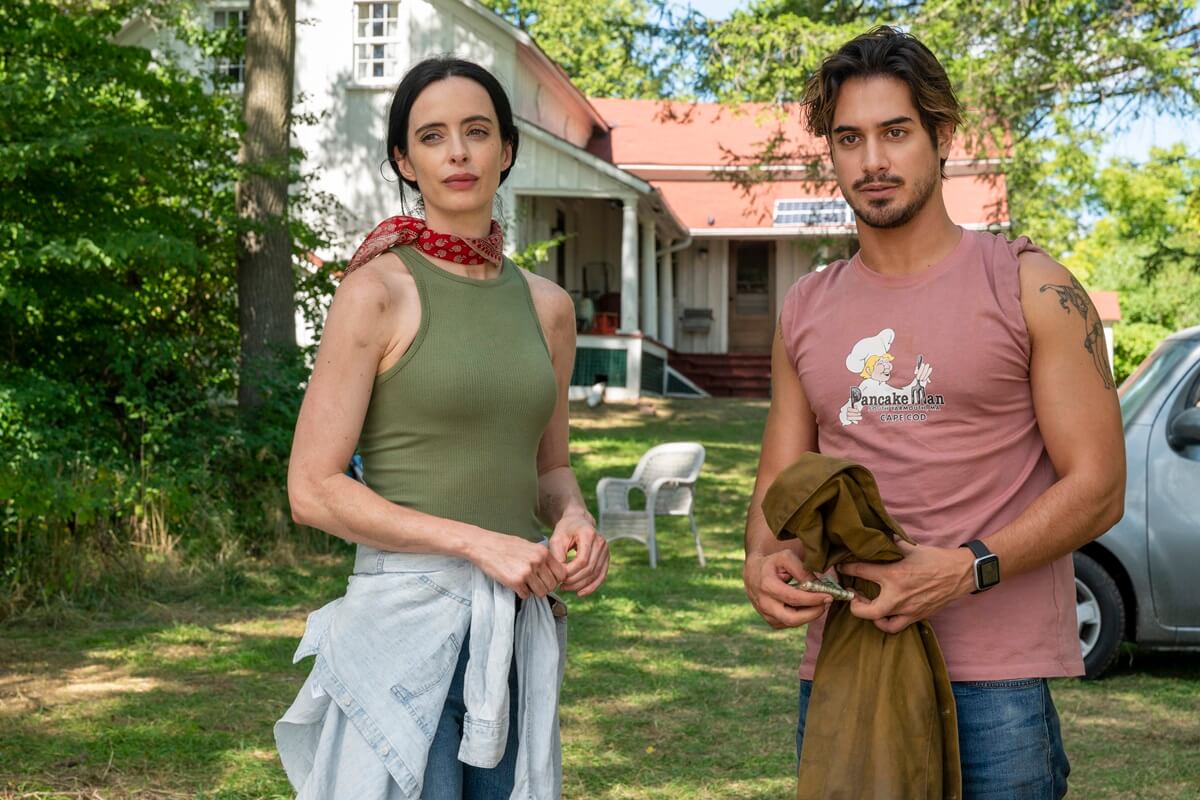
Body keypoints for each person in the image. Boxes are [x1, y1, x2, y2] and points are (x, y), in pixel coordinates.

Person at [742, 26, 1125, 799]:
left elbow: (1100, 488)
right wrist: (765, 563)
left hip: (998, 684)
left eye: (896, 132)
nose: (872, 162)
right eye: (849, 138)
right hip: (851, 665)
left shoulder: (1029, 285)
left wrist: (960, 571)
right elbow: (779, 488)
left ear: (942, 136)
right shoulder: (805, 308)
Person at [275, 57, 608, 800]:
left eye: (477, 131)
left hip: (512, 635)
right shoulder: (376, 292)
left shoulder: (549, 308)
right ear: (405, 159)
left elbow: (549, 470)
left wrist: (574, 518)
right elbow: (312, 489)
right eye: (432, 136)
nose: (457, 152)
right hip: (402, 634)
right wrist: (478, 542)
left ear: (507, 149)